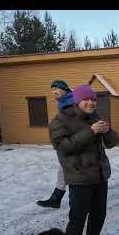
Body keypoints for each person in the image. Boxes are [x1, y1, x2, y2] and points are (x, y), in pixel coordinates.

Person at [49, 84, 119, 235]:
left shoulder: (95, 117)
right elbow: (64, 148)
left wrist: (107, 131)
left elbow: (112, 143)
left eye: (93, 100)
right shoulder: (61, 120)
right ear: (77, 100)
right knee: (77, 220)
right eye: (86, 99)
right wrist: (91, 131)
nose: (91, 103)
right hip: (79, 178)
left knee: (98, 217)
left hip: (99, 177)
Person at [37, 80, 73, 209]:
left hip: (73, 142)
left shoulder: (71, 102)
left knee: (70, 171)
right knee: (63, 170)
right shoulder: (64, 101)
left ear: (64, 89)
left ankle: (58, 199)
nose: (53, 92)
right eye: (52, 89)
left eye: (56, 88)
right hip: (68, 142)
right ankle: (56, 199)